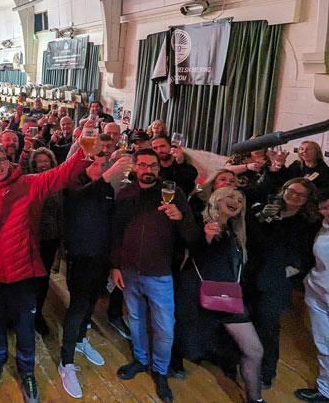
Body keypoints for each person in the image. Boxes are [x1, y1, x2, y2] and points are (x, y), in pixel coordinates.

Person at [0, 143, 95, 403]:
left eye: (0, 160)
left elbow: (61, 174)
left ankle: (27, 371)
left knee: (25, 327)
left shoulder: (29, 183)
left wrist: (83, 152)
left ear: (8, 160)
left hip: (23, 272)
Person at [110, 148, 199, 403]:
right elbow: (116, 233)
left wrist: (180, 217)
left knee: (165, 328)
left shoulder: (173, 193)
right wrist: (115, 266)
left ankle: (160, 371)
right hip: (129, 270)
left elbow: (192, 236)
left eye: (153, 166)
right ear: (135, 167)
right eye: (143, 165)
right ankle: (140, 359)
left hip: (159, 272)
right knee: (136, 319)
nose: (147, 170)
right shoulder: (126, 194)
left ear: (159, 169)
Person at [177, 188, 265, 403]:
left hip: (228, 299)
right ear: (217, 198)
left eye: (240, 200)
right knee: (182, 342)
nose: (236, 201)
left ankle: (255, 400)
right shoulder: (199, 221)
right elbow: (193, 254)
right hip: (199, 296)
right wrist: (207, 236)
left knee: (254, 350)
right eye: (231, 196)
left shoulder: (236, 231)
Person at [58, 155, 130, 398]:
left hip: (100, 258)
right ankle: (66, 362)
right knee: (77, 307)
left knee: (90, 304)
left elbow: (111, 225)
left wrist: (113, 261)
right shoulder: (74, 184)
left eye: (103, 165)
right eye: (95, 164)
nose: (100, 169)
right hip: (80, 258)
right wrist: (108, 175)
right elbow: (79, 199)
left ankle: (80, 340)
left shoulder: (107, 189)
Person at [244, 177, 321, 388]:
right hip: (251, 273)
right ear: (283, 189)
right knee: (247, 320)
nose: (295, 196)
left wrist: (292, 271)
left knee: (268, 325)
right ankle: (242, 361)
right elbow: (251, 237)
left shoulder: (309, 222)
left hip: (276, 280)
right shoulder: (266, 209)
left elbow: (308, 254)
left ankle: (266, 371)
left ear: (307, 199)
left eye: (301, 195)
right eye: (291, 191)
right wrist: (262, 218)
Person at [295, 190, 329, 402]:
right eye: (323, 208)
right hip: (317, 293)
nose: (326, 212)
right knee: (324, 343)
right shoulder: (321, 227)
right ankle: (325, 389)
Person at [28, 148, 64, 336]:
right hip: (30, 238)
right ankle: (25, 312)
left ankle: (38, 313)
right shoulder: (29, 181)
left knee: (43, 278)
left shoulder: (57, 183)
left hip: (50, 238)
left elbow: (61, 212)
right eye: (39, 161)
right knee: (28, 278)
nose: (43, 164)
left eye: (46, 161)